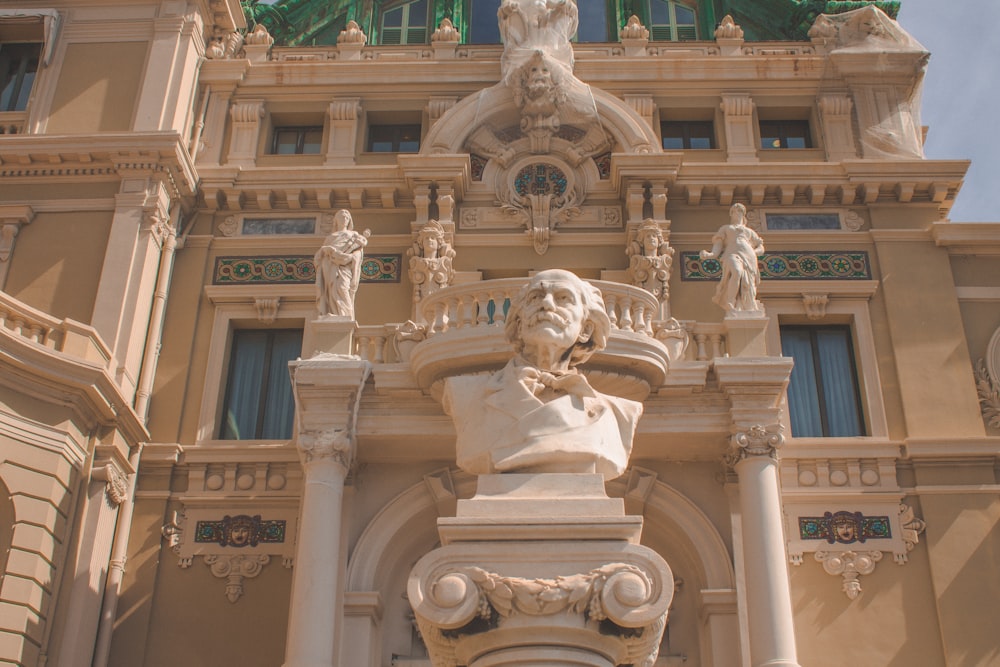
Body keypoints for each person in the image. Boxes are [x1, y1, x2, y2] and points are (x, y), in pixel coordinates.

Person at [442, 270, 642, 479]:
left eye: (563, 298)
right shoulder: (466, 394)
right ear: (518, 326)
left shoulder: (617, 413)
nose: (547, 304)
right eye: (536, 297)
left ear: (586, 330)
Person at [699, 203, 765, 313]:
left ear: (743, 215)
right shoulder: (726, 229)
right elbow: (718, 244)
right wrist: (711, 254)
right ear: (731, 214)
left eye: (740, 211)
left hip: (749, 257)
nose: (737, 213)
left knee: (747, 282)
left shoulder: (749, 232)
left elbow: (760, 247)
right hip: (732, 254)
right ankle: (730, 301)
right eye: (734, 211)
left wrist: (753, 252)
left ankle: (742, 304)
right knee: (737, 271)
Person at [315, 209, 369, 318]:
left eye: (346, 217)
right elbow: (320, 256)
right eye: (341, 217)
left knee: (342, 287)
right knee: (331, 290)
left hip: (345, 267)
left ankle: (345, 315)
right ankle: (335, 314)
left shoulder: (354, 236)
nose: (344, 219)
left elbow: (358, 253)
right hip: (330, 267)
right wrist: (327, 251)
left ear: (349, 221)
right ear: (336, 220)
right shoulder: (330, 238)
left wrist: (347, 257)